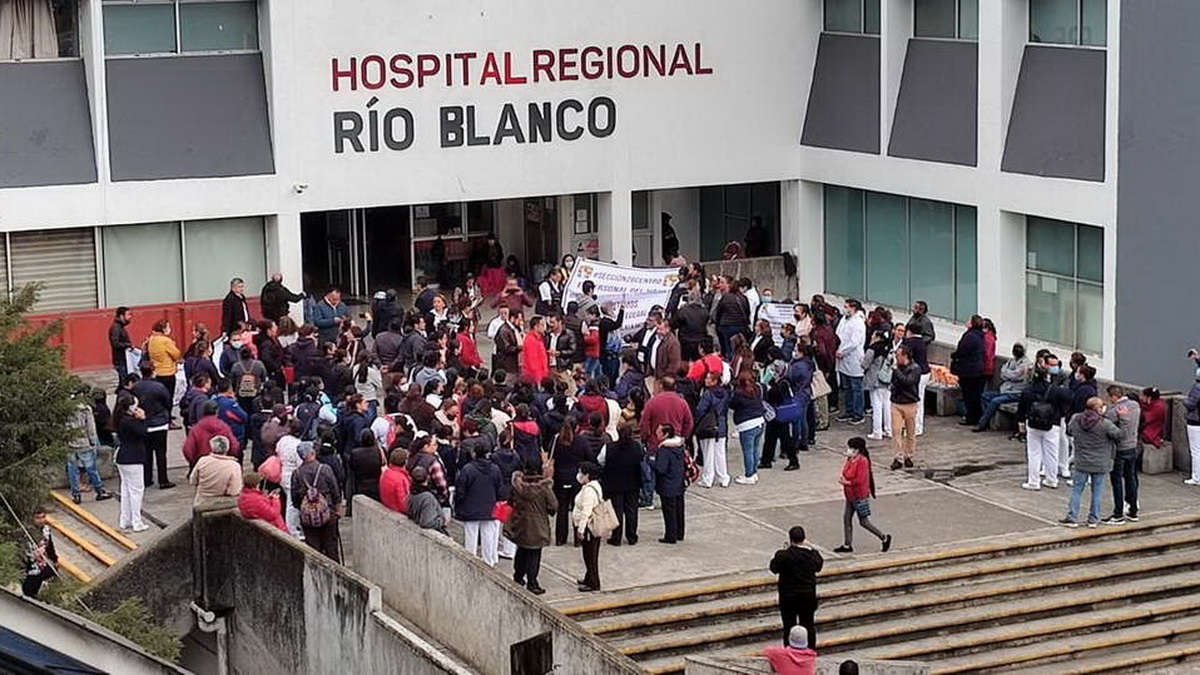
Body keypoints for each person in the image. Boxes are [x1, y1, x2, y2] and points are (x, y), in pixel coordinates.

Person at [1062, 397, 1124, 528]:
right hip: (1100, 462)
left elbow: (1069, 431)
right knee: (1097, 492)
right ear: (1098, 409)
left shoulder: (1076, 419)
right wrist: (1121, 419)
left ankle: (1072, 517)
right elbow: (1119, 435)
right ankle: (1093, 519)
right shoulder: (1105, 424)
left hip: (1081, 461)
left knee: (1077, 490)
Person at [770, 526, 824, 649]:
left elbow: (773, 568)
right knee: (808, 625)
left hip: (788, 598)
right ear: (804, 539)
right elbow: (819, 565)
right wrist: (811, 547)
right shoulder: (811, 555)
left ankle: (789, 650)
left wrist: (784, 550)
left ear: (790, 539)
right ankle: (810, 651)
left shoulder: (783, 555)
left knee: (788, 626)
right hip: (807, 597)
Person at [507, 464, 558, 594]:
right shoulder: (544, 489)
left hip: (521, 524)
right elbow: (554, 506)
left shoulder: (517, 487)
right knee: (534, 555)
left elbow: (510, 503)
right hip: (538, 527)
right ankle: (532, 583)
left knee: (521, 550)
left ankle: (518, 576)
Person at [836, 437, 892, 553]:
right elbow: (845, 472)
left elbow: (860, 480)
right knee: (846, 519)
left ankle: (883, 537)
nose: (849, 450)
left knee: (864, 522)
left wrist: (847, 482)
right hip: (850, 495)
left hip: (859, 496)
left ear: (857, 449)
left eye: (851, 448)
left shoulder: (863, 461)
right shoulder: (850, 459)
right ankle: (847, 544)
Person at [291, 441, 343, 561]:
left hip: (308, 517)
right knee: (331, 547)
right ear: (312, 453)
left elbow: (295, 499)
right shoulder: (325, 469)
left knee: (313, 549)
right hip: (328, 512)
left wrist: (304, 508)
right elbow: (335, 490)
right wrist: (337, 508)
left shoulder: (297, 474)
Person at [455, 441, 503, 566]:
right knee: (489, 538)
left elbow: (461, 490)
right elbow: (500, 490)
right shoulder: (495, 469)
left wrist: (459, 504)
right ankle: (488, 563)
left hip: (470, 508)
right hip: (489, 508)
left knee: (471, 539)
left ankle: (470, 563)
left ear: (474, 453)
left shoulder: (468, 469)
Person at [974, 343, 1033, 432]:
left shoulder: (1027, 363)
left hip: (1016, 393)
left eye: (1019, 348)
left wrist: (1007, 373)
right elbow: (1002, 373)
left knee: (995, 401)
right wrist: (1008, 374)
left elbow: (1016, 376)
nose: (1017, 351)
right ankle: (989, 420)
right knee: (985, 396)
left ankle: (982, 424)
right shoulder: (1011, 361)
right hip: (1004, 390)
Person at [112, 396, 150, 533]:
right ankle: (136, 521)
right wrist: (143, 419)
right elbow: (143, 433)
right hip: (133, 458)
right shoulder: (130, 422)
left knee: (126, 489)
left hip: (122, 457)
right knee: (136, 490)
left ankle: (125, 519)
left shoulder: (120, 419)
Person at [1103, 386, 1140, 524]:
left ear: (1113, 396)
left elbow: (1107, 426)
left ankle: (1118, 513)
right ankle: (1133, 510)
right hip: (1132, 446)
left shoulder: (1114, 411)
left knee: (1117, 481)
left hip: (1119, 449)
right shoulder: (1135, 405)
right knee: (1131, 478)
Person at [602, 423, 644, 545]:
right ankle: (631, 536)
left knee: (617, 510)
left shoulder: (609, 447)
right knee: (632, 510)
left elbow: (601, 461)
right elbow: (641, 460)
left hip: (614, 483)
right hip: (633, 482)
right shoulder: (637, 447)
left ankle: (616, 537)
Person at [67, 391, 112, 504]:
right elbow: (91, 428)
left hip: (70, 443)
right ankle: (99, 490)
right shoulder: (85, 409)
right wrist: (93, 442)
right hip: (84, 443)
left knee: (73, 470)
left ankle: (76, 494)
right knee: (91, 469)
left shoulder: (66, 409)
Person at [694, 370, 731, 488]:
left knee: (708, 453)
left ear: (714, 381)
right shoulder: (725, 393)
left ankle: (708, 478)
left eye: (708, 378)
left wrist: (696, 422)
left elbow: (700, 410)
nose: (706, 380)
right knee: (720, 453)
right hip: (721, 425)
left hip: (708, 425)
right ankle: (723, 477)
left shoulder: (708, 394)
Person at [887, 347, 921, 470]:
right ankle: (898, 457)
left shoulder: (915, 368)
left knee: (910, 432)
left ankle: (909, 455)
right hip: (896, 403)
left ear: (905, 356)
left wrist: (896, 370)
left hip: (910, 403)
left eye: (898, 355)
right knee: (896, 431)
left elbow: (908, 382)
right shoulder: (897, 368)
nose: (896, 358)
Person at [572, 461, 604, 592]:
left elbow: (586, 511)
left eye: (581, 473)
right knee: (588, 554)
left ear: (587, 475)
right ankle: (588, 577)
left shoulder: (589, 490)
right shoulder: (590, 487)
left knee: (590, 556)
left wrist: (580, 529)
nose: (579, 475)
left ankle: (594, 583)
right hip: (589, 526)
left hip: (589, 527)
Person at [950, 316, 987, 427]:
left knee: (969, 394)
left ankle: (971, 416)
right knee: (975, 394)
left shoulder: (970, 336)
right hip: (977, 369)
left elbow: (962, 350)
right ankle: (976, 416)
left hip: (968, 370)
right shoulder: (980, 336)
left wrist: (954, 355)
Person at [730, 374, 767, 485]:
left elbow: (731, 405)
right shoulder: (757, 389)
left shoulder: (738, 394)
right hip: (760, 421)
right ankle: (754, 472)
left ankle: (749, 475)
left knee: (748, 451)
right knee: (755, 449)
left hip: (747, 425)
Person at [654, 424, 687, 544]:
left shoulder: (664, 450)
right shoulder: (680, 446)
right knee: (679, 509)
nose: (656, 434)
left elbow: (661, 469)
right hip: (679, 482)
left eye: (659, 432)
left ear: (666, 434)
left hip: (667, 484)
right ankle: (679, 533)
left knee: (669, 511)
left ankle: (670, 535)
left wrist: (652, 462)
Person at [834, 299, 866, 425]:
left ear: (853, 308)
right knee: (846, 387)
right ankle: (849, 410)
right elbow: (838, 334)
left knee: (856, 388)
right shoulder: (844, 319)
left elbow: (854, 342)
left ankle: (858, 414)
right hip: (842, 358)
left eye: (846, 307)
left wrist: (843, 351)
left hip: (853, 358)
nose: (844, 309)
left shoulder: (858, 322)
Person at [145, 319, 183, 418]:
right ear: (163, 329)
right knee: (168, 397)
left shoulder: (152, 339)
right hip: (167, 372)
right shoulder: (166, 341)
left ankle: (161, 415)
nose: (169, 329)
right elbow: (176, 354)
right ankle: (168, 417)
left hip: (156, 372)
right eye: (168, 327)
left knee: (159, 397)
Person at [189, 436, 243, 505]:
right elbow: (234, 491)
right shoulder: (234, 465)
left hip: (202, 501)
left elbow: (192, 481)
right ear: (228, 448)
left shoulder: (202, 461)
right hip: (224, 503)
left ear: (211, 447)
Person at [862, 329, 892, 441]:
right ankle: (889, 429)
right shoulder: (889, 348)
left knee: (877, 406)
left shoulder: (872, 349)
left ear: (877, 337)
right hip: (887, 379)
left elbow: (865, 364)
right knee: (887, 405)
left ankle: (877, 431)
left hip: (875, 380)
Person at [21, 510, 58, 598]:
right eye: (38, 518)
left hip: (41, 562)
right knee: (29, 586)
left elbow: (49, 545)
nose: (41, 520)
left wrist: (54, 559)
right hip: (30, 562)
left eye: (43, 517)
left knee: (51, 572)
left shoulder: (46, 530)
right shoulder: (27, 531)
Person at [348, 428, 385, 504]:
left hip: (361, 485)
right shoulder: (379, 451)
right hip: (376, 486)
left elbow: (352, 470)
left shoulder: (355, 453)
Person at [407, 466, 448, 534]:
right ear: (427, 478)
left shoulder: (412, 492)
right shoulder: (427, 498)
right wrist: (442, 521)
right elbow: (427, 523)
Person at [380, 448, 412, 514]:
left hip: (388, 507)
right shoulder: (401, 479)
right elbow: (404, 504)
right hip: (397, 512)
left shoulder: (386, 473)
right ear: (405, 462)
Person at [1139, 387, 1167, 457]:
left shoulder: (1158, 407)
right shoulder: (1159, 403)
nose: (1142, 398)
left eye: (1143, 396)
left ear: (1149, 398)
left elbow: (1146, 419)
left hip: (1151, 434)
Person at [521, 316, 550, 384]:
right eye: (542, 325)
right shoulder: (531, 340)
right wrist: (538, 378)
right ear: (536, 327)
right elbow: (533, 361)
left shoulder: (539, 339)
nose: (544, 328)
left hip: (541, 375)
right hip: (535, 377)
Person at [109, 306, 134, 383]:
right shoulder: (116, 328)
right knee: (124, 381)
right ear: (121, 316)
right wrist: (127, 345)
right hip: (120, 359)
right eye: (128, 315)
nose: (130, 317)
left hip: (123, 359)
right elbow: (115, 343)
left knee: (124, 381)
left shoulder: (120, 327)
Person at [1185, 363, 1200, 486]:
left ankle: (1196, 477)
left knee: (1195, 451)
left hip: (1195, 421)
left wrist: (1185, 401)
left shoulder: (1197, 388)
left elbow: (1191, 404)